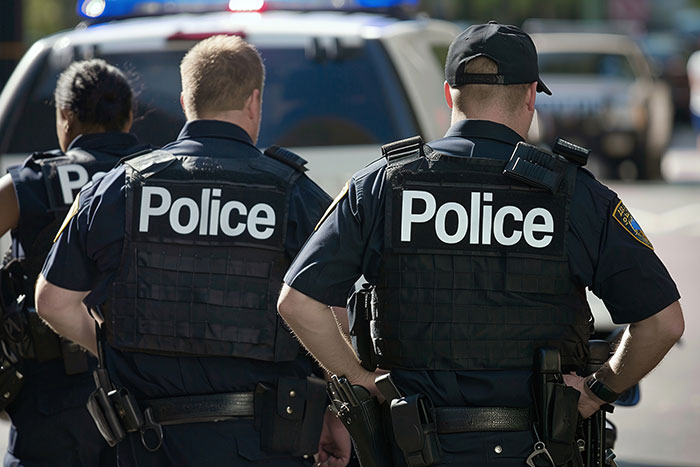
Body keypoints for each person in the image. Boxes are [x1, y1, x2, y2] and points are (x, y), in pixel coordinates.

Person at [277, 22, 685, 466]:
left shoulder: (381, 184)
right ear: (530, 97)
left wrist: (358, 379)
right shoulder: (577, 195)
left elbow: (298, 302)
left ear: (449, 94)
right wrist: (594, 392)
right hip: (536, 449)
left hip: (413, 446)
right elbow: (662, 323)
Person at [36, 35, 333, 466]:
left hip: (152, 441)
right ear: (254, 101)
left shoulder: (117, 188)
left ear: (184, 100)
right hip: (268, 442)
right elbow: (331, 316)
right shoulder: (294, 193)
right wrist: (339, 413)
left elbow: (54, 302)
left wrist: (115, 351)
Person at [0, 58, 144, 466]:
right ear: (130, 117)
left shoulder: (31, 184)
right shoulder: (162, 179)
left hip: (52, 400)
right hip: (149, 394)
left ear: (65, 115)